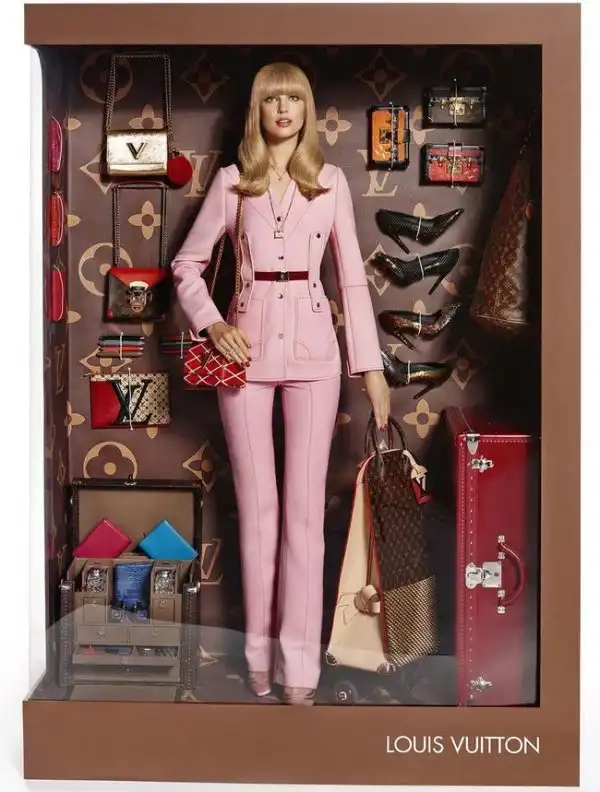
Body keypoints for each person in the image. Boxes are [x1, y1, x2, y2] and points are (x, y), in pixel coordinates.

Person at [171, 62, 390, 705]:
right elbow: (187, 266)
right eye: (273, 99)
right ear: (258, 110)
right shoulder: (233, 183)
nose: (284, 109)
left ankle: (299, 671)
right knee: (258, 513)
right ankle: (258, 660)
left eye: (294, 98)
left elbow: (351, 278)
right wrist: (213, 325)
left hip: (317, 355)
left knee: (304, 515)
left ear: (307, 108)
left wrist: (371, 370)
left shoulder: (330, 182)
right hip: (244, 354)